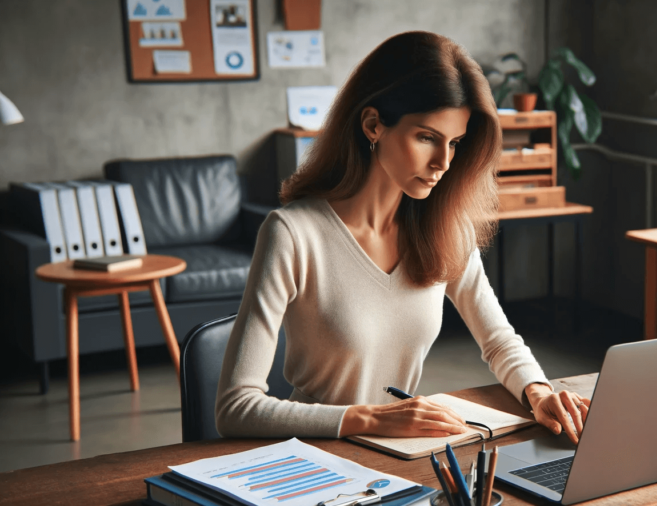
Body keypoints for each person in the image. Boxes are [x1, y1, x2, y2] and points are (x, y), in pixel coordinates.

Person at [215, 31, 590, 444]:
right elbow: (236, 407)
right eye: (427, 137)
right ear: (373, 124)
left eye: (456, 143)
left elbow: (499, 339)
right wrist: (372, 420)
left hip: (401, 452)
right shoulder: (292, 234)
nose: (443, 163)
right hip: (314, 456)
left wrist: (538, 392)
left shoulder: (446, 228)